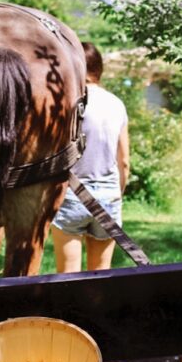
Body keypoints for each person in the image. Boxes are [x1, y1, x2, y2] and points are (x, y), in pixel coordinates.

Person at [50, 41, 130, 272]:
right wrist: (115, 195)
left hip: (72, 195)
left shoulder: (64, 103)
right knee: (101, 276)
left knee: (68, 277)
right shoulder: (116, 104)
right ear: (99, 68)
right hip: (108, 196)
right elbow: (124, 161)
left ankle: (68, 310)